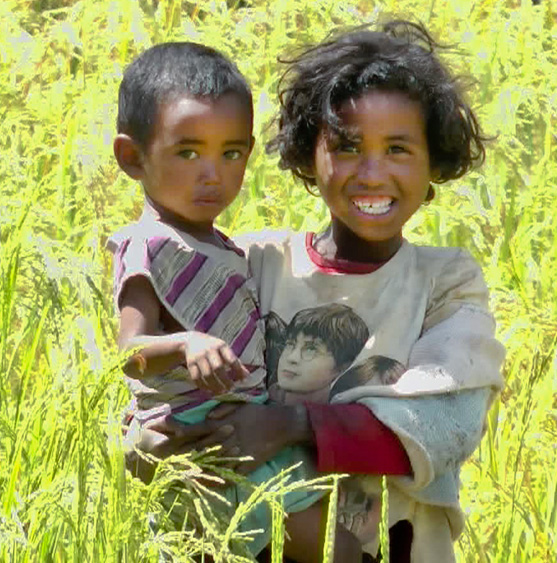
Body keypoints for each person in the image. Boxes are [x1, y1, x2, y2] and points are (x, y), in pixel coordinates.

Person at [131, 21, 507, 562]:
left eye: (399, 148)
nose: (373, 173)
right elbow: (163, 396)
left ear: (433, 165)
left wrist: (290, 424)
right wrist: (152, 440)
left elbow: (445, 424)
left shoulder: (445, 283)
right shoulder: (249, 264)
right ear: (311, 157)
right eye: (348, 147)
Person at [106, 42, 363, 561]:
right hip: (198, 441)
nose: (213, 174)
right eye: (188, 152)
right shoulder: (148, 245)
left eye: (232, 153)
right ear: (133, 158)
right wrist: (185, 343)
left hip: (245, 434)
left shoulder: (223, 247)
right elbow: (128, 352)